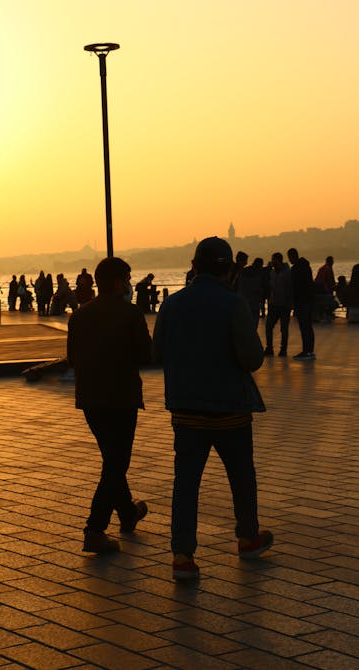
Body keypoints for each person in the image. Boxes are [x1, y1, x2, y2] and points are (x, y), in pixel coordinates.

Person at [153, 236, 273, 580]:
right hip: (231, 409)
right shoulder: (234, 304)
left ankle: (182, 556)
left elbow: (155, 353)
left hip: (186, 409)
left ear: (194, 266)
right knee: (241, 477)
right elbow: (252, 359)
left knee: (186, 483)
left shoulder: (172, 305)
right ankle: (248, 538)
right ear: (230, 271)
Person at [67, 257, 152, 554]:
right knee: (116, 463)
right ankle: (95, 529)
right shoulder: (130, 314)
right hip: (122, 397)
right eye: (128, 279)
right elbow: (146, 355)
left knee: (112, 459)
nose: (130, 284)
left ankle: (128, 513)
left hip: (90, 399)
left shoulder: (79, 316)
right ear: (118, 283)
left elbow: (72, 358)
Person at [287, 248, 315, 360]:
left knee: (304, 327)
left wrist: (293, 302)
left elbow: (295, 287)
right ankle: (310, 351)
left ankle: (306, 351)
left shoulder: (296, 269)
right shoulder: (306, 266)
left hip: (301, 301)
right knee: (308, 326)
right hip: (309, 300)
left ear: (292, 257)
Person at [264, 253, 292, 357]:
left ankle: (283, 349)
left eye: (273, 260)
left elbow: (290, 289)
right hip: (274, 304)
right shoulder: (272, 272)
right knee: (268, 326)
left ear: (278, 261)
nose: (272, 262)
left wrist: (290, 303)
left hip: (284, 305)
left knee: (284, 328)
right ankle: (269, 347)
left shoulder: (287, 273)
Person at [239, 257, 264, 329]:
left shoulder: (243, 272)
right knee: (254, 324)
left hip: (244, 302)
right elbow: (259, 289)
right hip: (254, 302)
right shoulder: (258, 275)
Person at [314, 256, 337, 322]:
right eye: (332, 261)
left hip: (320, 291)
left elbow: (317, 280)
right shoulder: (328, 269)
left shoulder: (322, 268)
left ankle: (324, 313)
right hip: (325, 291)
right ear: (330, 262)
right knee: (334, 302)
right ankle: (327, 313)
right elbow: (329, 282)